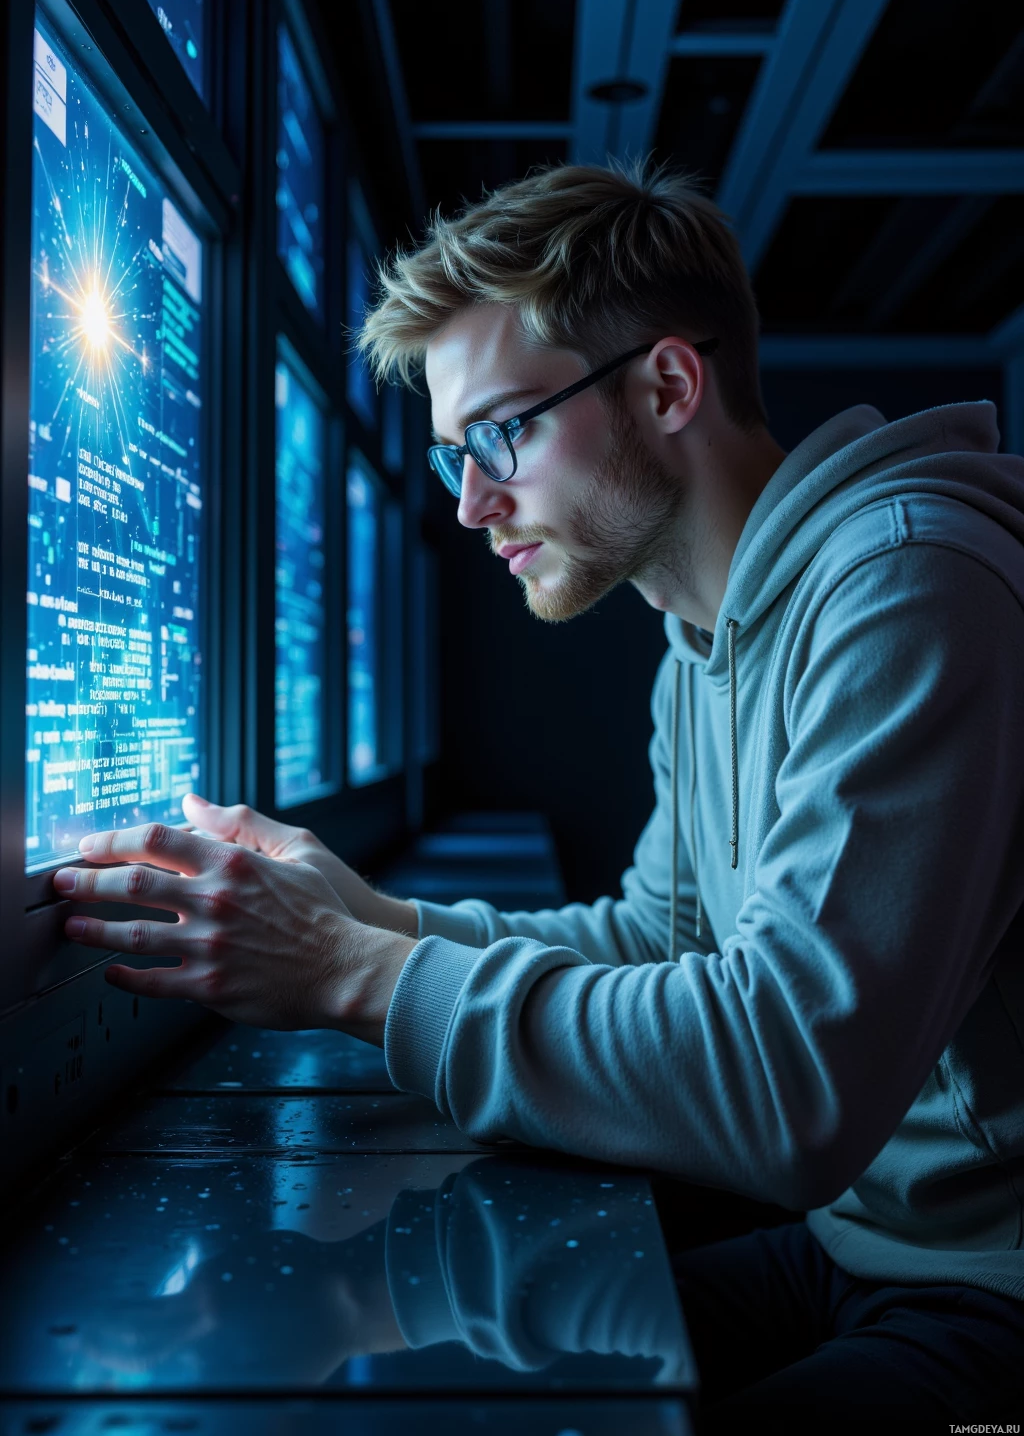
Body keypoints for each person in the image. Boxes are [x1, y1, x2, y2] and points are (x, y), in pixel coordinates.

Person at [56, 161, 1024, 1422]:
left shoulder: (903, 590)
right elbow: (663, 942)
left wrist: (350, 975)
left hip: (988, 1289)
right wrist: (370, 919)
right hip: (859, 1244)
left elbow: (794, 1080)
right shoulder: (707, 637)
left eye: (501, 433)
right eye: (456, 453)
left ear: (669, 385)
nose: (470, 503)